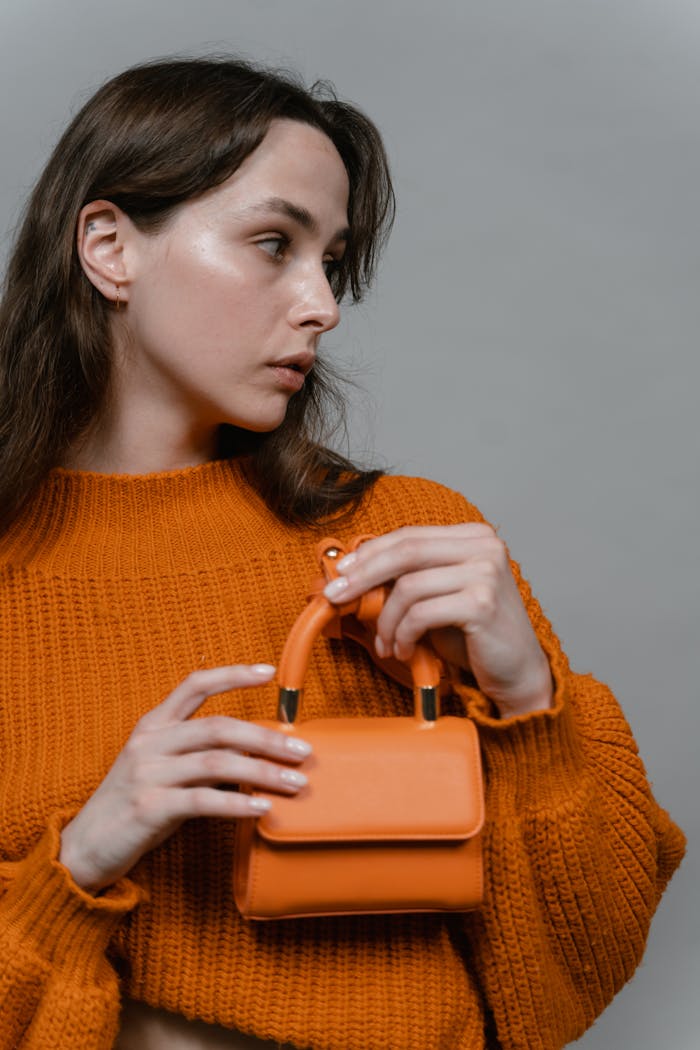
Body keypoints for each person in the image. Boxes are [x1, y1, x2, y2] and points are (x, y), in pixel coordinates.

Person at [0, 56, 685, 1050]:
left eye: (332, 262)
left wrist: (529, 703)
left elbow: (582, 968)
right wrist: (82, 860)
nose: (320, 305)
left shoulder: (405, 540)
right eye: (273, 243)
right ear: (109, 248)